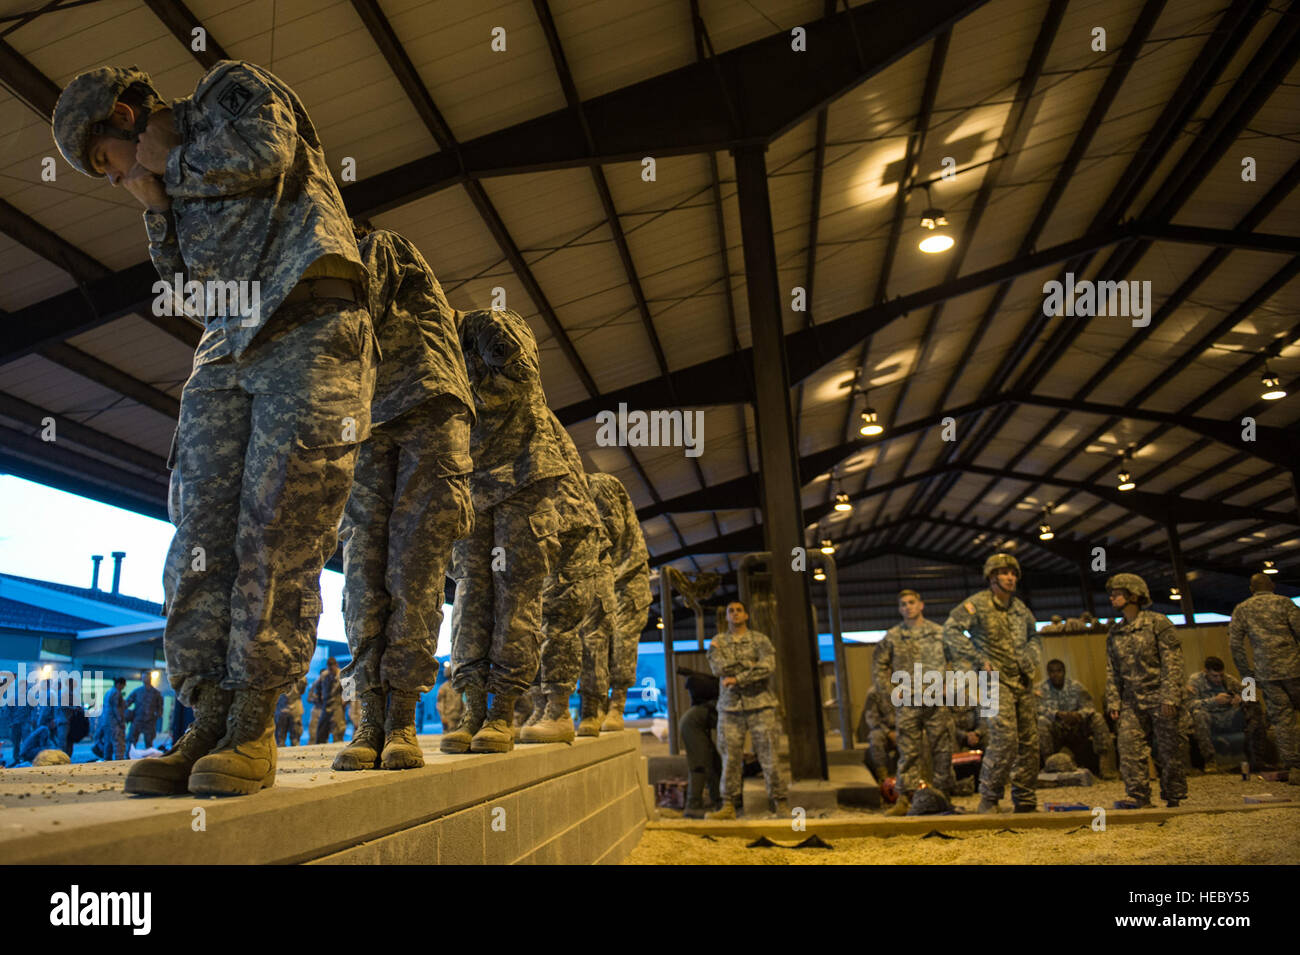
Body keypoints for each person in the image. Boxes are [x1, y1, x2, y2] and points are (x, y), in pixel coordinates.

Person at [53, 60, 375, 797]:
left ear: (124, 118)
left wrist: (173, 164)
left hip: (309, 311)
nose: (114, 180)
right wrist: (157, 208)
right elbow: (181, 284)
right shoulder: (162, 190)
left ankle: (255, 716)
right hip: (229, 342)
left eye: (107, 162)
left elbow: (268, 152)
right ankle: (209, 711)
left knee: (279, 521)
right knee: (200, 526)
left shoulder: (227, 96)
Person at [333, 223, 474, 772]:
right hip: (368, 418)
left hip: (426, 410)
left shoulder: (377, 247)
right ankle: (370, 715)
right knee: (363, 565)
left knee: (414, 568)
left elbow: (346, 310)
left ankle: (401, 721)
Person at [443, 307, 568, 755]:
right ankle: (473, 706)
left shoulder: (483, 322)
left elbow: (518, 363)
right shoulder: (425, 341)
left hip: (524, 472)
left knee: (515, 592)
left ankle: (502, 711)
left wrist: (469, 329)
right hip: (471, 478)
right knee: (471, 591)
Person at [522, 415, 606, 744]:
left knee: (559, 616)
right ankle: (540, 707)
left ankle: (558, 710)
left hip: (564, 520)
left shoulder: (516, 396)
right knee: (529, 619)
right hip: (536, 521)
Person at [943, 552, 1042, 814]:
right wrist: (978, 659)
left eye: (1013, 574)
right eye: (1004, 573)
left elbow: (1034, 636)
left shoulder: (1020, 609)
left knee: (1030, 741)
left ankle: (1025, 798)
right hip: (993, 682)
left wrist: (1031, 659)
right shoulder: (976, 604)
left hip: (1022, 682)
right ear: (991, 577)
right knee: (1005, 739)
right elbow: (951, 630)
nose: (1010, 578)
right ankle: (989, 797)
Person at [1104, 573, 1187, 809]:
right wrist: (1113, 702)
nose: (1112, 597)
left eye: (1118, 593)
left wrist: (1170, 696)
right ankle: (1138, 796)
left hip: (1160, 697)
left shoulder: (1158, 623)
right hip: (1131, 699)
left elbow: (1173, 662)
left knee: (1169, 750)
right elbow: (1112, 670)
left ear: (1134, 595)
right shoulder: (1115, 631)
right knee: (1129, 747)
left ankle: (1174, 796)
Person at [705, 600, 789, 819]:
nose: (735, 614)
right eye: (731, 611)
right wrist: (750, 667)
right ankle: (728, 806)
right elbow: (718, 668)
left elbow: (768, 667)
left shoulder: (760, 640)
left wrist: (737, 678)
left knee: (769, 756)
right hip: (730, 709)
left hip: (761, 706)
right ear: (726, 617)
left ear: (746, 615)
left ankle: (780, 803)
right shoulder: (717, 642)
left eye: (739, 610)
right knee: (730, 758)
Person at [874, 590, 954, 815]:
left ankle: (942, 797)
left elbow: (958, 659)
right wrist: (891, 692)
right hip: (908, 702)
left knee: (942, 750)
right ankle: (904, 800)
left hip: (936, 700)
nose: (907, 607)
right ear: (899, 609)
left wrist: (952, 685)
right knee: (908, 751)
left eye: (911, 602)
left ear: (921, 605)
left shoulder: (940, 633)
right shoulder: (892, 637)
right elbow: (878, 666)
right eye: (903, 604)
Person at [587, 472, 652, 733]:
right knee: (595, 639)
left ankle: (617, 706)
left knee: (623, 640)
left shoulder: (599, 483)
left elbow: (611, 526)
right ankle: (595, 706)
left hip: (629, 574)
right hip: (601, 573)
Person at [1229, 573, 1300, 786]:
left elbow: (1235, 645)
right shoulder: (1284, 603)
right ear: (1273, 585)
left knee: (1282, 720)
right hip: (1295, 669)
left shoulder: (1242, 609)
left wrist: (1247, 673)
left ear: (1251, 589)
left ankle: (1295, 768)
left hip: (1266, 673)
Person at [1185, 656, 1267, 773]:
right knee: (1199, 715)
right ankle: (1210, 760)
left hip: (1229, 717)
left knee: (1254, 708)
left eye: (1221, 675)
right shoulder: (1195, 680)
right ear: (1206, 672)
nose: (1219, 679)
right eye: (1215, 676)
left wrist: (1240, 699)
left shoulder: (1228, 679)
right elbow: (1190, 705)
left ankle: (1257, 759)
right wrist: (1214, 701)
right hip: (1210, 718)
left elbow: (1250, 696)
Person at [1037, 659, 1116, 778]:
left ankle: (1107, 769)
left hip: (1077, 726)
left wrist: (1078, 715)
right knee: (1041, 722)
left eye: (1059, 671)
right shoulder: (1040, 689)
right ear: (1048, 673)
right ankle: (1049, 766)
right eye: (1052, 671)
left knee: (1097, 718)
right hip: (1056, 728)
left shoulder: (1076, 686)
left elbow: (1090, 707)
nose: (1055, 674)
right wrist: (1058, 714)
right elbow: (1037, 709)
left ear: (1064, 671)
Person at [676, 665, 723, 818]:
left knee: (714, 762)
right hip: (691, 727)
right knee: (700, 765)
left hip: (697, 726)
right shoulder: (723, 702)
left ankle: (718, 800)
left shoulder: (717, 700)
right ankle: (693, 806)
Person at [857, 684, 899, 782]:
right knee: (875, 738)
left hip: (903, 729)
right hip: (882, 729)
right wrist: (888, 733)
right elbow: (872, 719)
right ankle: (882, 777)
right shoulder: (874, 692)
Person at [310, 659, 346, 743]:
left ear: (336, 665)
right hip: (326, 705)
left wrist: (344, 702)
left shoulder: (342, 675)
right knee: (321, 732)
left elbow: (350, 690)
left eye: (332, 666)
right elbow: (316, 687)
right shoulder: (324, 675)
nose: (331, 668)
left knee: (338, 732)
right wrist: (319, 699)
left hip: (337, 706)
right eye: (329, 666)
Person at [126, 673, 164, 749]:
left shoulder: (156, 693)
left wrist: (157, 716)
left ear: (150, 679)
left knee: (149, 743)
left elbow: (160, 707)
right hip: (137, 720)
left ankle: (148, 757)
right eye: (143, 678)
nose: (144, 679)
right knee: (131, 741)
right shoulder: (137, 691)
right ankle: (128, 756)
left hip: (149, 721)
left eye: (146, 678)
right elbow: (127, 702)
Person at [93, 677, 128, 761]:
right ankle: (119, 761)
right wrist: (121, 721)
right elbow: (116, 709)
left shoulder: (108, 692)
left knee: (108, 743)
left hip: (106, 722)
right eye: (123, 685)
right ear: (119, 684)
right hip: (114, 723)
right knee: (118, 743)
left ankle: (107, 760)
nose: (123, 687)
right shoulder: (116, 693)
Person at [275, 677, 307, 746]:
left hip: (284, 709)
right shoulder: (301, 675)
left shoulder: (277, 674)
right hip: (291, 709)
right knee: (290, 738)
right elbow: (302, 690)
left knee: (282, 738)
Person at [436, 664, 463, 735]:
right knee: (448, 737)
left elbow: (464, 701)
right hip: (448, 717)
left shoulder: (460, 686)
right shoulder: (443, 687)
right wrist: (443, 717)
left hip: (459, 716)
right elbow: (440, 703)